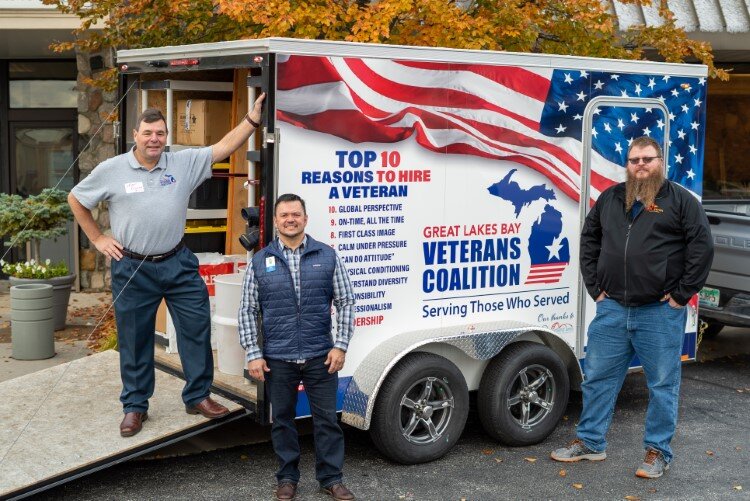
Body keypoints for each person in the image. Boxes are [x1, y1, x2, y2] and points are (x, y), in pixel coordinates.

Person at [68, 92, 266, 437]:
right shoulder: (111, 170)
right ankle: (135, 406)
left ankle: (198, 396)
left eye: (160, 133)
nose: (154, 139)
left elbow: (222, 148)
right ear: (136, 136)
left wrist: (251, 120)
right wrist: (99, 239)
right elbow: (76, 199)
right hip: (132, 268)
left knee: (196, 329)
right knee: (134, 340)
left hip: (177, 262)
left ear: (166, 136)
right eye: (148, 133)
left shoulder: (181, 163)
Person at [550, 136, 713, 478]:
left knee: (662, 384)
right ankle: (591, 443)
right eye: (634, 159)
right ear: (627, 164)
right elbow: (590, 239)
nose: (640, 165)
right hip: (612, 310)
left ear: (660, 161)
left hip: (659, 312)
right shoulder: (611, 198)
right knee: (597, 379)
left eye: (647, 159)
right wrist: (594, 287)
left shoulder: (681, 201)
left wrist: (681, 295)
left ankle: (657, 452)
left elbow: (702, 248)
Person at [238, 194, 356, 501]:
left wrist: (340, 346)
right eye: (284, 215)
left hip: (321, 355)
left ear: (305, 218)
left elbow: (345, 302)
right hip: (278, 358)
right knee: (283, 422)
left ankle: (331, 478)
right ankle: (287, 478)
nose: (290, 219)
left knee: (327, 421)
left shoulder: (327, 255)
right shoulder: (260, 262)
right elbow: (248, 310)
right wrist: (253, 353)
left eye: (296, 214)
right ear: (275, 221)